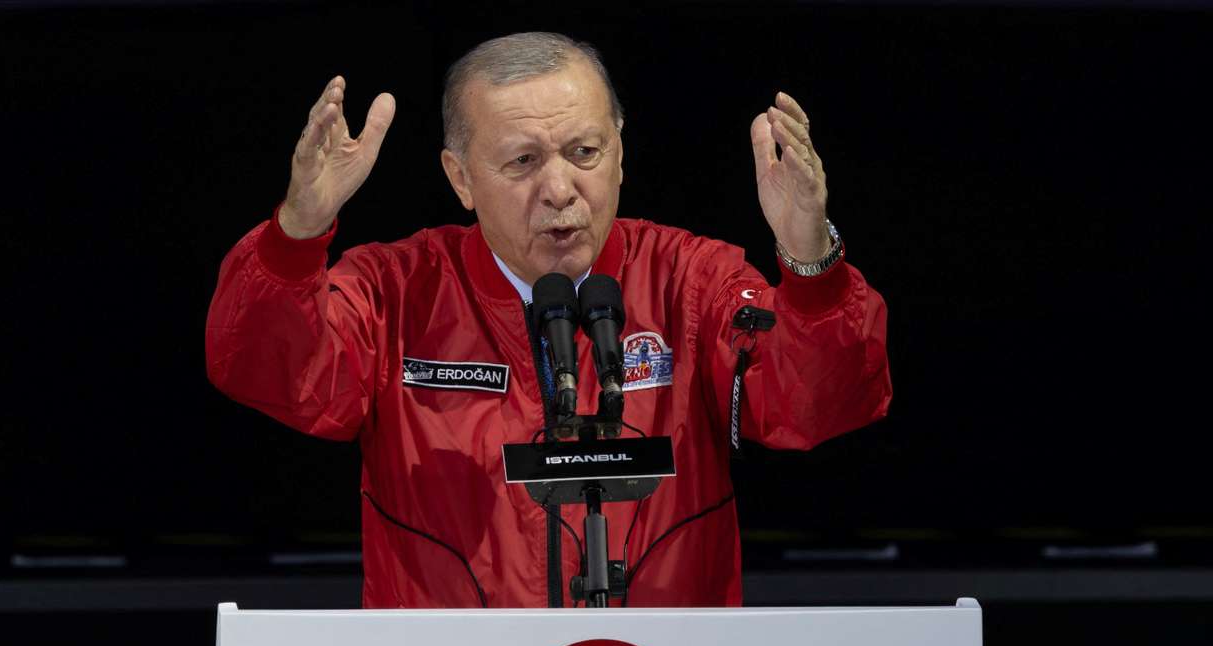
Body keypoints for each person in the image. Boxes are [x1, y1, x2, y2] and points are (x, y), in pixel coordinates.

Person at [205, 32, 891, 608]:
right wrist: (296, 237)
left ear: (620, 153)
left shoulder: (692, 280)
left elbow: (816, 405)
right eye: (524, 162)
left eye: (584, 153)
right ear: (461, 178)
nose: (560, 189)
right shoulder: (397, 291)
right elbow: (270, 371)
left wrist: (808, 261)